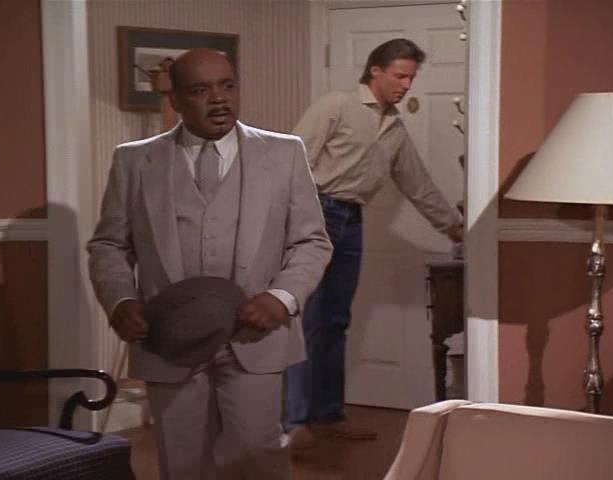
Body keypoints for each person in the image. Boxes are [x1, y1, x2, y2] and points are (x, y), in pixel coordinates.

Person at [87, 48, 332, 479]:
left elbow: (311, 240)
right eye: (201, 90)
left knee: (257, 454)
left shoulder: (284, 153)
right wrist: (121, 300)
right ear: (176, 99)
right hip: (169, 337)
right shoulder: (134, 160)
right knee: (182, 460)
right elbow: (108, 244)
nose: (219, 99)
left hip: (255, 335)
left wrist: (281, 297)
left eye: (227, 85)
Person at [285, 38, 463, 449]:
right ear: (376, 71)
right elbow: (293, 161)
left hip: (351, 219)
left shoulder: (394, 129)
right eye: (400, 76)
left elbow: (418, 184)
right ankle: (293, 424)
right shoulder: (337, 105)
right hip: (317, 213)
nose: (406, 85)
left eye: (411, 78)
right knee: (309, 321)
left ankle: (327, 416)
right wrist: (290, 223)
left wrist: (455, 228)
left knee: (335, 322)